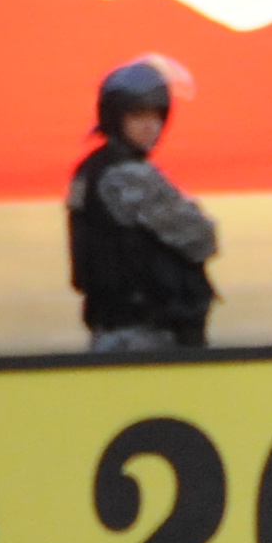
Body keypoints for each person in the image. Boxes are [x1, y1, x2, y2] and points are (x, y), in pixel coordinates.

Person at [70, 54, 218, 352]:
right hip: (147, 335)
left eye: (156, 116)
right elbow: (200, 239)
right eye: (138, 116)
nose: (151, 126)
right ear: (115, 117)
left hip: (113, 330)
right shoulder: (129, 175)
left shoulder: (90, 169)